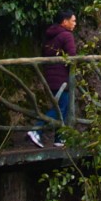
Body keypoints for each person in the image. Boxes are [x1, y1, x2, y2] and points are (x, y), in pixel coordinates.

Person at [28, 9, 78, 148]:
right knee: (59, 108)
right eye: (73, 20)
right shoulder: (67, 36)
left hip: (50, 76)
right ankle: (36, 130)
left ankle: (59, 138)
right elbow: (72, 56)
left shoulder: (50, 35)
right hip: (62, 77)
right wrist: (74, 72)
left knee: (63, 106)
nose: (75, 23)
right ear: (64, 21)